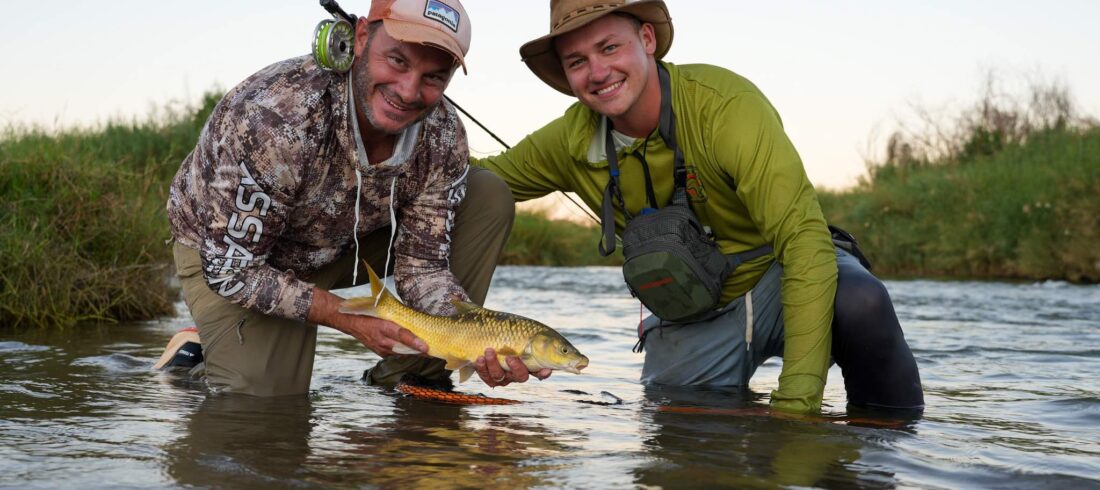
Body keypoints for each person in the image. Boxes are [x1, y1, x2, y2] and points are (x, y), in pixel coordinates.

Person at [472, 0, 924, 413]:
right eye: (577, 61)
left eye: (610, 47)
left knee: (862, 302)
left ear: (647, 40)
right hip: (691, 311)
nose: (597, 71)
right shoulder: (567, 140)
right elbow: (473, 184)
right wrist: (408, 121)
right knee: (684, 444)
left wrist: (796, 407)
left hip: (779, 282)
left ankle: (887, 454)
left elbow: (803, 240)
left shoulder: (726, 107)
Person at [161, 0, 541, 395]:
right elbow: (231, 269)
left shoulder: (444, 136)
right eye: (397, 61)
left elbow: (424, 267)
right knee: (262, 404)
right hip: (238, 256)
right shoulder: (275, 119)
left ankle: (410, 373)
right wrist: (346, 318)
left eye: (434, 77)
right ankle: (199, 353)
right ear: (360, 37)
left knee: (487, 195)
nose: (409, 91)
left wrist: (473, 338)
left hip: (345, 242)